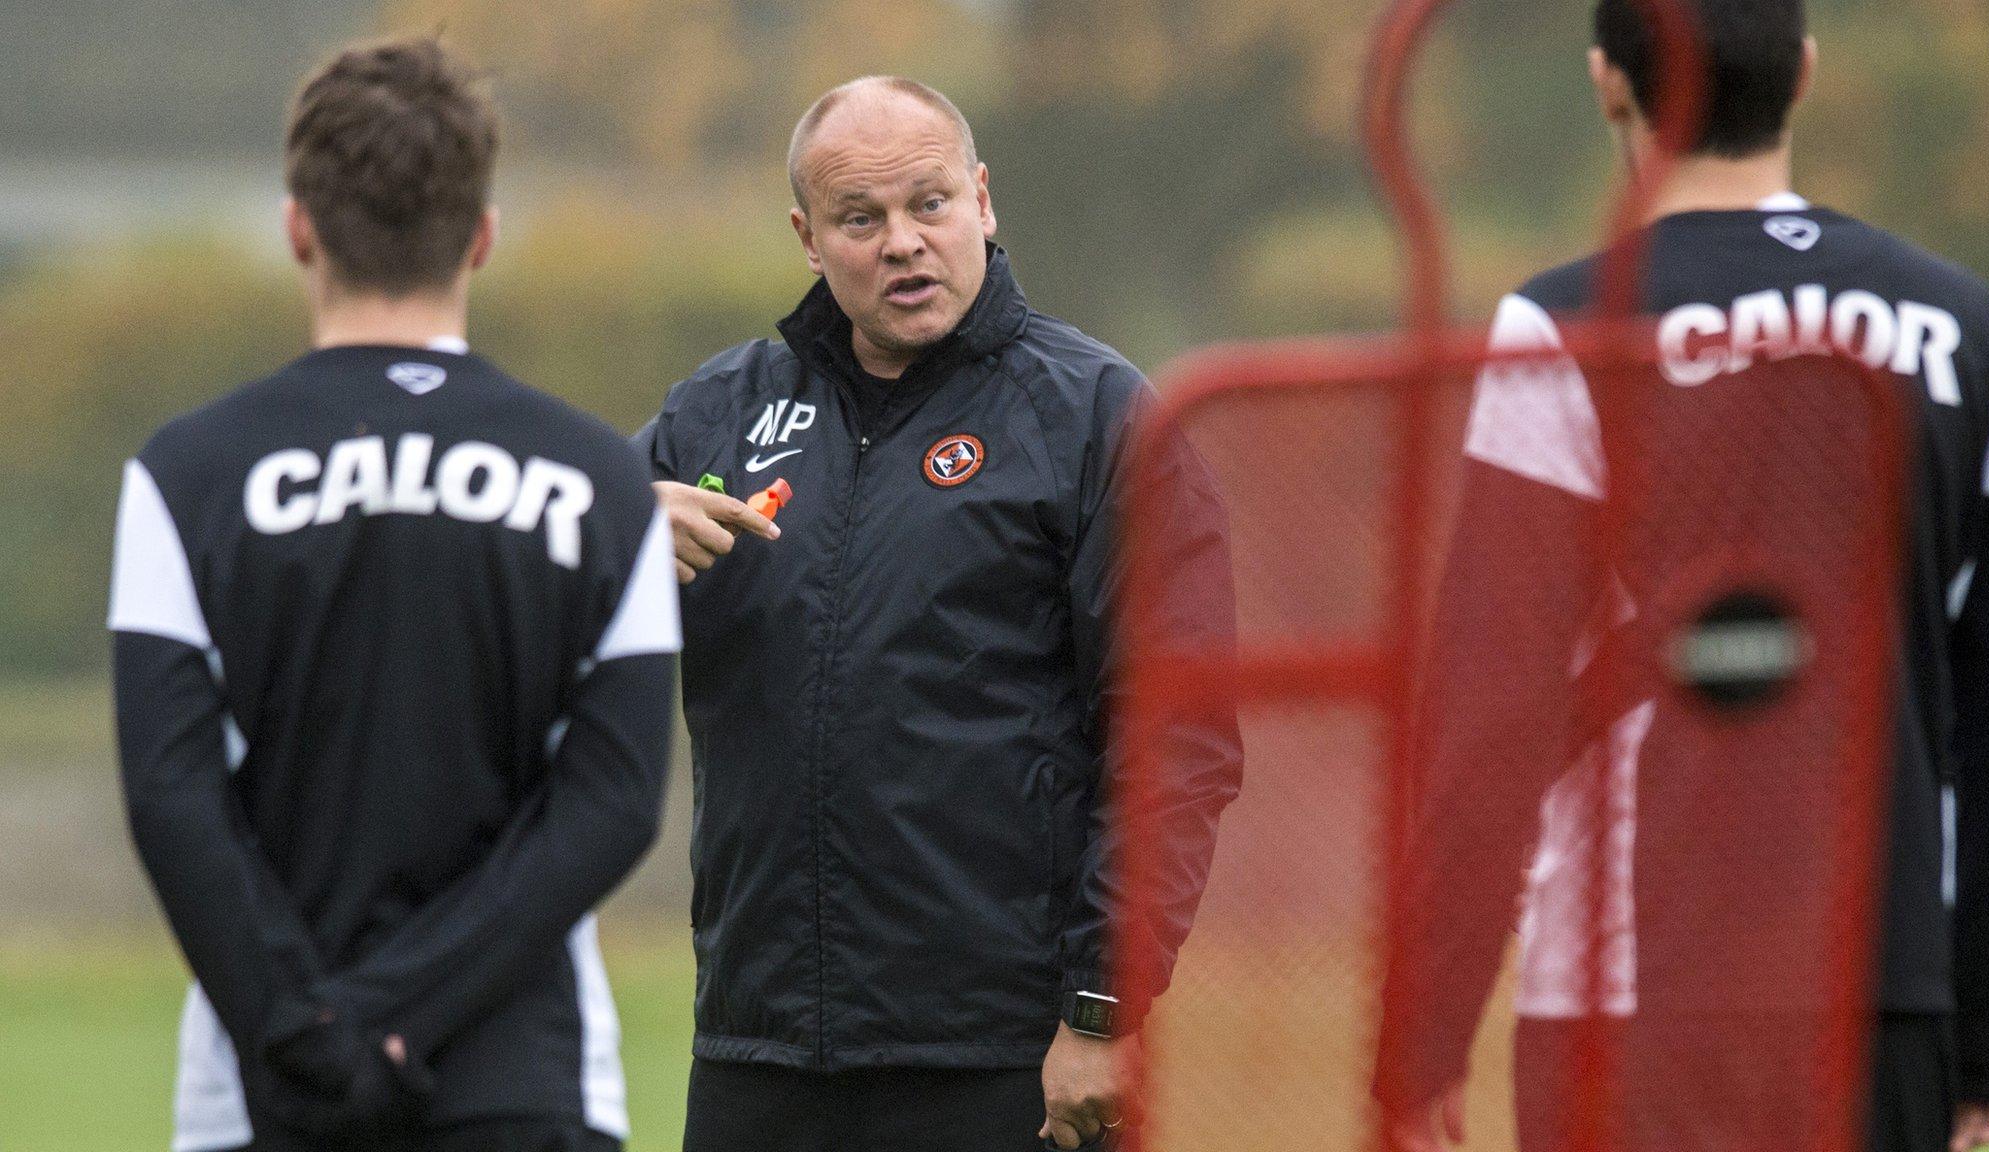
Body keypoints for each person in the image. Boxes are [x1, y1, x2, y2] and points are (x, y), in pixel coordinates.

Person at [1375, 3, 1989, 1152]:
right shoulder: (1961, 321)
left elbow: (1492, 711)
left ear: (1607, 85)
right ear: (1801, 72)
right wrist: (1978, 1023)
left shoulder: (1565, 326)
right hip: (1882, 994)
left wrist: (1423, 1035)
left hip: (1627, 1002)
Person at [634, 76, 1241, 1152]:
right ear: (808, 238)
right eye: (860, 219)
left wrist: (1100, 1010)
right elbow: (521, 613)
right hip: (758, 1049)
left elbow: (1174, 740)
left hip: (996, 1058)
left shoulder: (1095, 417)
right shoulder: (714, 416)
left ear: (983, 200)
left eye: (930, 204)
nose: (903, 243)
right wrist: (610, 540)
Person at [110, 38, 679, 1152]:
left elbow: (172, 797)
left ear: (298, 229)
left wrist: (310, 1028)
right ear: (482, 235)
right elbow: (610, 804)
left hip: (266, 1085)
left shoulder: (184, 475)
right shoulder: (598, 480)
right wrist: (398, 1019)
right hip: (526, 1086)